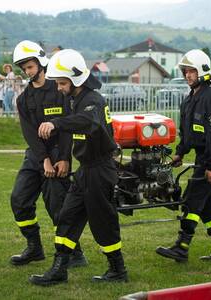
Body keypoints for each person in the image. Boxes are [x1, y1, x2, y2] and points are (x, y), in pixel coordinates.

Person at [31, 49, 127, 286]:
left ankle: (118, 270)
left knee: (102, 221)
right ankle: (59, 268)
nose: (60, 88)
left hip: (100, 169)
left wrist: (56, 124)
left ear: (76, 79)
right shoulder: (76, 98)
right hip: (86, 169)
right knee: (67, 216)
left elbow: (88, 122)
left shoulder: (92, 100)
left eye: (63, 83)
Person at [9, 41, 87, 268]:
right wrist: (43, 159)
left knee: (58, 207)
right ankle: (34, 249)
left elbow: (66, 128)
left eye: (29, 66)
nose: (27, 71)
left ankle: (75, 254)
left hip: (58, 154)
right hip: (36, 156)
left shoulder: (60, 90)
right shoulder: (23, 99)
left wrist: (63, 158)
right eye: (23, 68)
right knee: (19, 200)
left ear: (41, 63)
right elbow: (30, 134)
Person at [155, 49, 211, 263]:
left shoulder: (209, 99)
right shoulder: (190, 99)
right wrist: (180, 153)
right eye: (185, 71)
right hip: (205, 156)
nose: (187, 75)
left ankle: (181, 247)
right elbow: (189, 133)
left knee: (192, 199)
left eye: (191, 71)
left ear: (202, 72)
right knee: (208, 204)